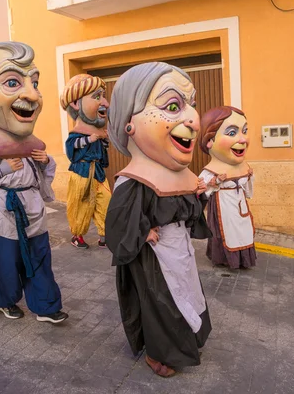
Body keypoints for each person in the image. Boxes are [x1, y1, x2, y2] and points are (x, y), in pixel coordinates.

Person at [106, 62, 212, 377]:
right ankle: (158, 353)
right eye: (172, 106)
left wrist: (198, 195)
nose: (193, 118)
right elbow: (119, 223)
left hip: (179, 251)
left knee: (186, 293)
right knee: (160, 303)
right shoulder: (134, 179)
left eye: (191, 106)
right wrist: (142, 234)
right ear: (129, 124)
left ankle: (187, 339)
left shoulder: (180, 172)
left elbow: (182, 211)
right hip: (154, 257)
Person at [0, 41, 68, 323]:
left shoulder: (28, 139)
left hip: (31, 206)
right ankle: (5, 300)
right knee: (5, 261)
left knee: (39, 258)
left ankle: (46, 306)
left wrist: (45, 162)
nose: (31, 95)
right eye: (12, 82)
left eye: (35, 83)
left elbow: (40, 173)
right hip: (2, 210)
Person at [198, 106, 256, 269]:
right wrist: (215, 182)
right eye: (232, 133)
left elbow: (247, 189)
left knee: (243, 231)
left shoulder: (243, 166)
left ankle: (243, 259)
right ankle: (224, 259)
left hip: (239, 204)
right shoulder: (210, 171)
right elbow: (199, 191)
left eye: (244, 131)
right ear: (210, 140)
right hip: (223, 206)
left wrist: (249, 177)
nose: (243, 139)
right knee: (227, 233)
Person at [60, 74, 111, 249]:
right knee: (80, 204)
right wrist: (90, 139)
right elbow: (71, 149)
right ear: (75, 103)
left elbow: (103, 150)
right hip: (82, 172)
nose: (105, 103)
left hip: (97, 172)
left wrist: (103, 140)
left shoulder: (100, 131)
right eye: (97, 96)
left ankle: (104, 235)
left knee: (105, 201)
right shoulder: (75, 134)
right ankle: (77, 235)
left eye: (103, 96)